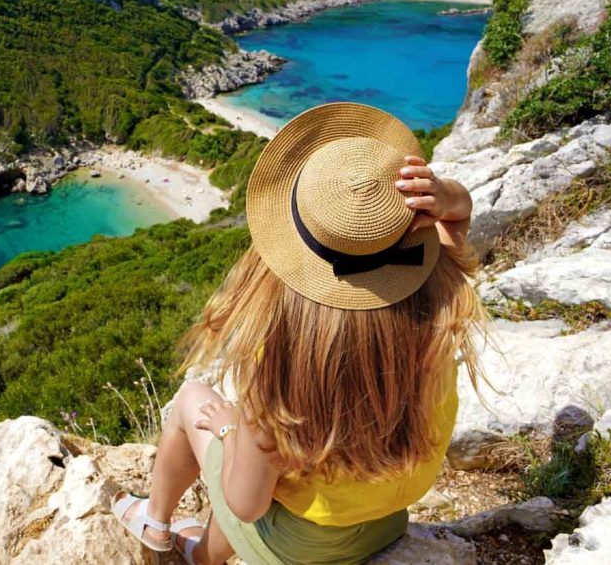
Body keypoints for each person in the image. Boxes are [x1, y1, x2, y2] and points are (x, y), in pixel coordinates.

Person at [113, 102, 484, 565]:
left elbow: (247, 503)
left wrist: (230, 427)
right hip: (385, 520)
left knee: (194, 400)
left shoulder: (284, 363)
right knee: (268, 465)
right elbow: (457, 225)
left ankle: (159, 524)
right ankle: (196, 545)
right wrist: (449, 197)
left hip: (304, 547)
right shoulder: (442, 304)